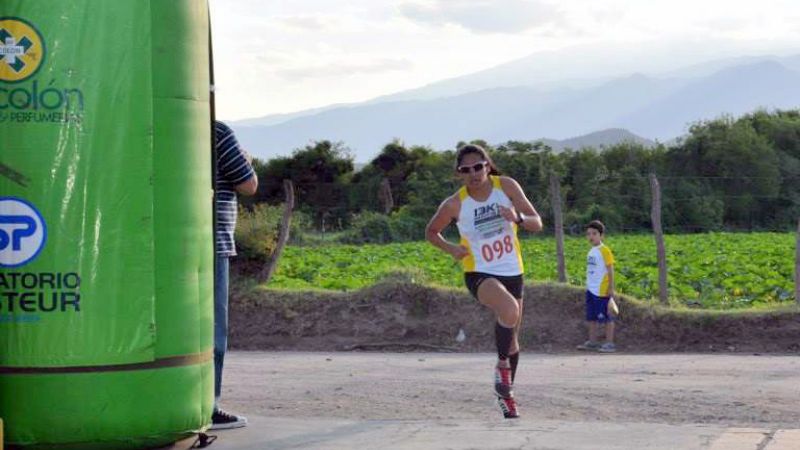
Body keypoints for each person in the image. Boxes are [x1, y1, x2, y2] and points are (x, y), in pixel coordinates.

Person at [425, 144, 542, 419]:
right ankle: (501, 367)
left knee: (512, 341)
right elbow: (431, 231)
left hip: (513, 270)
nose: (474, 173)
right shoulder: (455, 203)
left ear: (488, 166)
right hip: (479, 271)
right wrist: (452, 249)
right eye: (466, 170)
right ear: (459, 173)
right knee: (509, 309)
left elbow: (537, 223)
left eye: (478, 167)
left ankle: (506, 395)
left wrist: (517, 218)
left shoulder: (507, 186)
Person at [211, 120, 258, 429]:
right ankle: (208, 405)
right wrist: (247, 159)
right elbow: (247, 184)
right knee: (214, 326)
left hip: (165, 243)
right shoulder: (217, 132)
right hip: (213, 241)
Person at [576, 220, 617, 353]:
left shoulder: (605, 250)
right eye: (588, 234)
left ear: (601, 235)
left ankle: (609, 343)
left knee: (607, 317)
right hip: (591, 289)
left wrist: (611, 287)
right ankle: (592, 342)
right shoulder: (591, 251)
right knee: (591, 317)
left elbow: (610, 269)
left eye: (594, 233)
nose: (591, 236)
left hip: (601, 290)